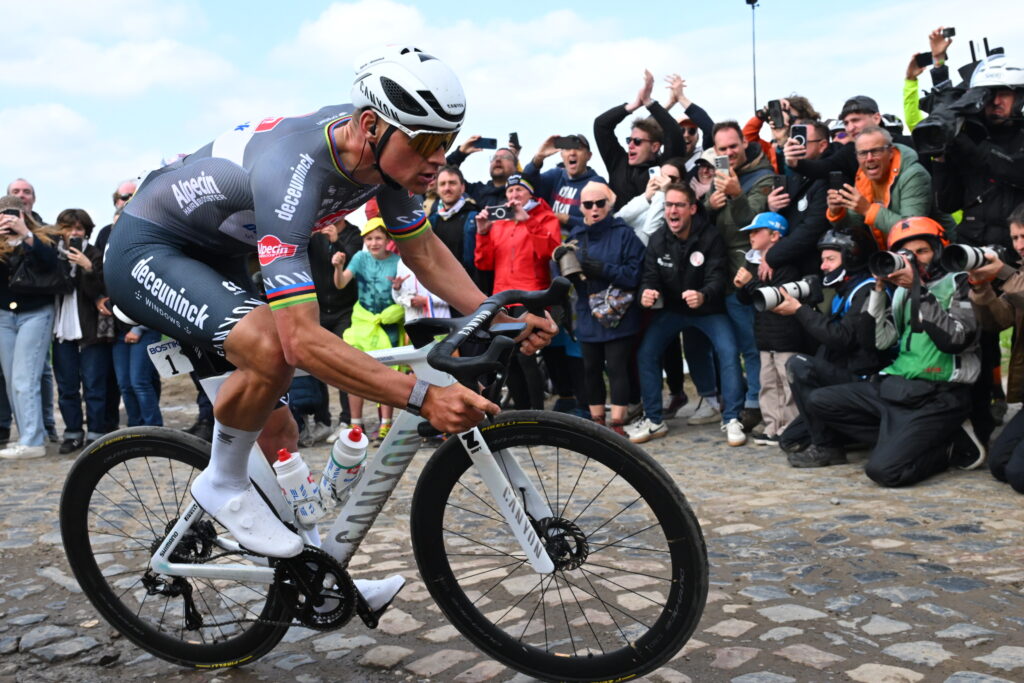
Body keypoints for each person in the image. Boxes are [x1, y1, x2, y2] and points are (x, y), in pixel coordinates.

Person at [102, 44, 555, 583]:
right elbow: (302, 342)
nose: (440, 160)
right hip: (148, 249)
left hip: (216, 254)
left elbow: (426, 252)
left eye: (448, 143)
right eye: (427, 144)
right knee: (271, 349)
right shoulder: (293, 170)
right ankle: (221, 483)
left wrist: (499, 316)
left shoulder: (386, 165)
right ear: (371, 126)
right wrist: (423, 397)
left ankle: (315, 574)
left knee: (279, 430)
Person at [803, 217, 984, 485]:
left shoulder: (959, 282)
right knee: (820, 401)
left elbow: (955, 340)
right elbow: (880, 342)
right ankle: (903, 438)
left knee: (883, 471)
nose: (914, 259)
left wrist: (918, 290)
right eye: (906, 254)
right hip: (898, 386)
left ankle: (948, 448)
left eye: (921, 251)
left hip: (940, 393)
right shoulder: (899, 292)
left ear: (939, 249)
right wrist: (878, 290)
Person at [628, 183, 746, 446]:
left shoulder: (710, 236)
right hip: (672, 311)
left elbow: (718, 277)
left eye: (679, 205)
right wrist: (647, 293)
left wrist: (703, 294)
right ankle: (654, 419)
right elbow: (649, 278)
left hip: (708, 310)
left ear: (692, 208)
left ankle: (732, 417)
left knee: (728, 350)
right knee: (646, 352)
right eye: (668, 205)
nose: (672, 211)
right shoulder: (658, 239)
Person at [775, 227, 889, 461]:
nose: (823, 266)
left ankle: (828, 447)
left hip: (865, 379)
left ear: (852, 258)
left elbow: (843, 339)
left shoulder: (867, 290)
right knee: (791, 440)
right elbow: (827, 338)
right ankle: (847, 435)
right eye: (822, 259)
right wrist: (811, 307)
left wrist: (800, 310)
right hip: (843, 373)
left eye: (830, 259)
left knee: (799, 364)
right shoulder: (842, 290)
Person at [705, 121, 775, 431]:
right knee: (728, 348)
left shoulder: (764, 178)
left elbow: (759, 229)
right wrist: (708, 206)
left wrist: (735, 196)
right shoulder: (717, 181)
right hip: (720, 276)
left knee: (752, 345)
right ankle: (741, 399)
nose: (729, 152)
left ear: (744, 144)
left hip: (747, 275)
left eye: (734, 146)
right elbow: (705, 230)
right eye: (722, 149)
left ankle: (755, 405)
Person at [560, 182, 644, 433]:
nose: (595, 209)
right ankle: (598, 422)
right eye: (588, 204)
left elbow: (635, 274)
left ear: (609, 205)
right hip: (587, 311)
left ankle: (617, 423)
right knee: (590, 367)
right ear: (581, 207)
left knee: (617, 366)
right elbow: (563, 277)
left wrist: (602, 269)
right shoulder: (576, 237)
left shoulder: (624, 233)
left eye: (600, 203)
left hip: (618, 312)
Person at [474, 175, 561, 410]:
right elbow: (484, 264)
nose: (513, 196)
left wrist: (528, 221)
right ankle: (522, 413)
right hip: (503, 297)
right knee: (506, 356)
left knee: (526, 354)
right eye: (510, 191)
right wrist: (482, 233)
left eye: (519, 191)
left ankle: (537, 413)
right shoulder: (499, 222)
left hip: (531, 295)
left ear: (530, 195)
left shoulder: (545, 217)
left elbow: (551, 252)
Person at [733, 212, 816, 446]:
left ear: (774, 235)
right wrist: (741, 287)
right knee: (768, 383)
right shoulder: (753, 261)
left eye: (756, 231)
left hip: (787, 336)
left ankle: (791, 427)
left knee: (787, 384)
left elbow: (776, 298)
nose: (751, 236)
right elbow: (747, 299)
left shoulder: (787, 266)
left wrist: (749, 283)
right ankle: (773, 426)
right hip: (765, 335)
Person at [968, 203, 1024, 493]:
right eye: (1015, 238)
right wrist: (981, 289)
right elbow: (998, 321)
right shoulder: (1020, 273)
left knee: (1019, 475)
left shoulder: (1015, 276)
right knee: (1000, 465)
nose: (1019, 245)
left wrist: (1003, 272)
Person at [0, 195, 60, 460]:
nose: (8, 218)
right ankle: (28, 436)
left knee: (26, 378)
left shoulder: (43, 238)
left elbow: (51, 264)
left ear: (25, 213)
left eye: (13, 213)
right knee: (14, 380)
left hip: (35, 313)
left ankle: (33, 440)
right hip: (4, 316)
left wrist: (26, 235)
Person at [333, 217, 404, 442]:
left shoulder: (397, 262)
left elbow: (404, 293)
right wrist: (338, 267)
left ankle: (386, 423)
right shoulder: (360, 258)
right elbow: (341, 283)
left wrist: (399, 287)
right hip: (362, 324)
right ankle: (356, 423)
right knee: (356, 373)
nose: (374, 243)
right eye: (370, 238)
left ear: (387, 240)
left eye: (378, 238)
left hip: (388, 324)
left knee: (387, 374)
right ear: (365, 240)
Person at [827, 125, 954, 249]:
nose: (869, 158)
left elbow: (911, 229)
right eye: (863, 153)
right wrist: (837, 213)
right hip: (893, 254)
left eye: (875, 151)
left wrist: (867, 210)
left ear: (891, 152)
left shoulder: (914, 174)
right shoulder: (863, 176)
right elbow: (854, 227)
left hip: (939, 251)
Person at [51, 209, 113, 454]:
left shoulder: (95, 254)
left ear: (87, 230)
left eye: (78, 228)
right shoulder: (54, 255)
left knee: (94, 385)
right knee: (67, 386)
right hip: (61, 330)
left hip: (90, 330)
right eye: (68, 228)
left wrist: (87, 268)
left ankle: (96, 433)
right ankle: (72, 433)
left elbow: (98, 291)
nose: (74, 233)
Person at [594, 70, 688, 209]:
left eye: (637, 141)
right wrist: (634, 105)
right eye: (629, 140)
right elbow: (601, 125)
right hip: (620, 228)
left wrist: (650, 103)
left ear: (655, 147)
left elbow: (674, 133)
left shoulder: (664, 166)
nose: (631, 145)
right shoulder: (618, 162)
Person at [522, 133, 605, 228]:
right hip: (551, 239)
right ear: (561, 155)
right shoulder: (556, 175)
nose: (572, 153)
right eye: (568, 149)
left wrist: (568, 219)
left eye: (578, 148)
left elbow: (599, 224)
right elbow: (525, 184)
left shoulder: (596, 184)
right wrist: (539, 157)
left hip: (582, 240)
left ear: (589, 156)